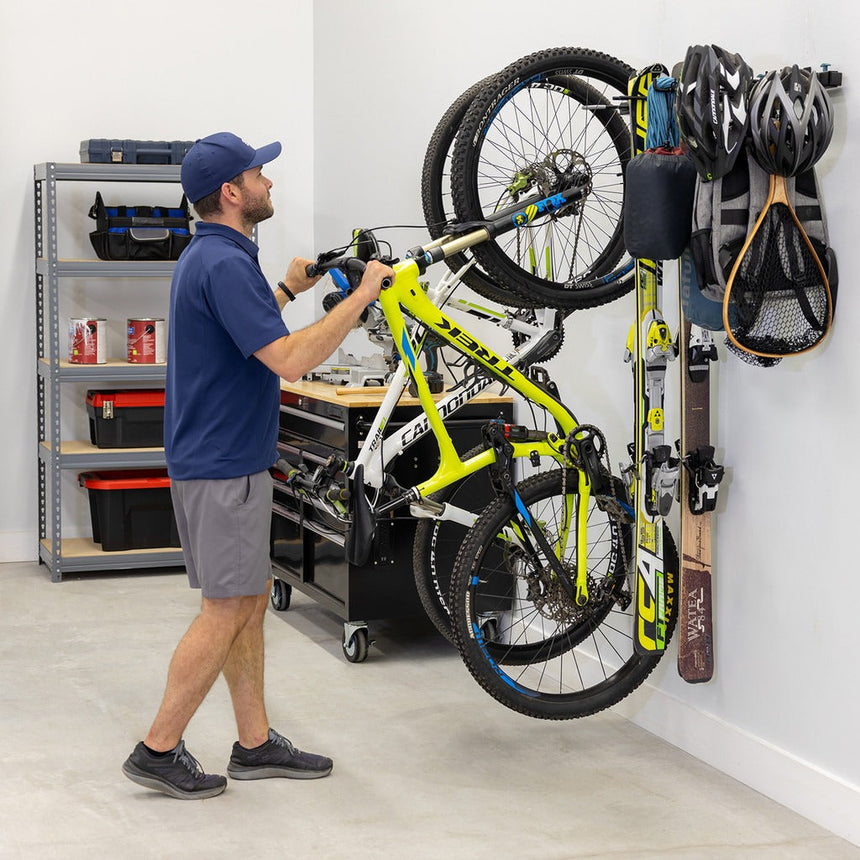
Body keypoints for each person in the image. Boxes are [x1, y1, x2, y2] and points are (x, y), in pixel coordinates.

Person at [122, 132, 394, 800]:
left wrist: (286, 289)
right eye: (258, 174)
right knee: (227, 606)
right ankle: (157, 748)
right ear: (230, 193)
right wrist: (361, 298)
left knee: (245, 605)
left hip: (221, 458)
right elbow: (288, 361)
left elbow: (246, 334)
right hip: (221, 465)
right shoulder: (221, 263)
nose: (269, 183)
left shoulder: (214, 257)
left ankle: (254, 742)